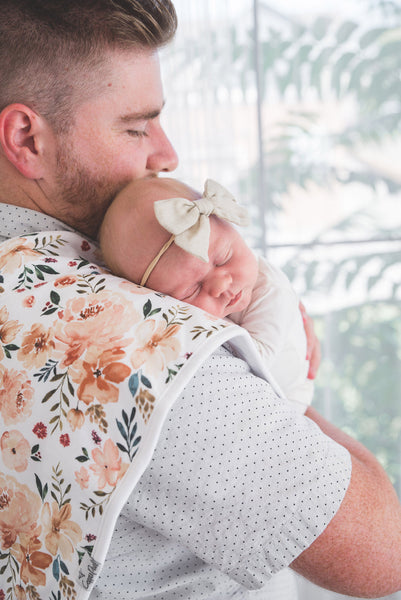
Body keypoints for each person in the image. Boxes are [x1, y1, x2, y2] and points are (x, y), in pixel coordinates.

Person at [0, 2, 401, 599]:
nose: (167, 154)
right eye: (136, 127)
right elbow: (383, 555)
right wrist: (274, 360)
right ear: (26, 138)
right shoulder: (137, 346)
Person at [99, 176, 314, 412]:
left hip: (292, 393)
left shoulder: (271, 292)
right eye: (192, 290)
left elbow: (256, 363)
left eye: (224, 258)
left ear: (232, 227)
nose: (221, 284)